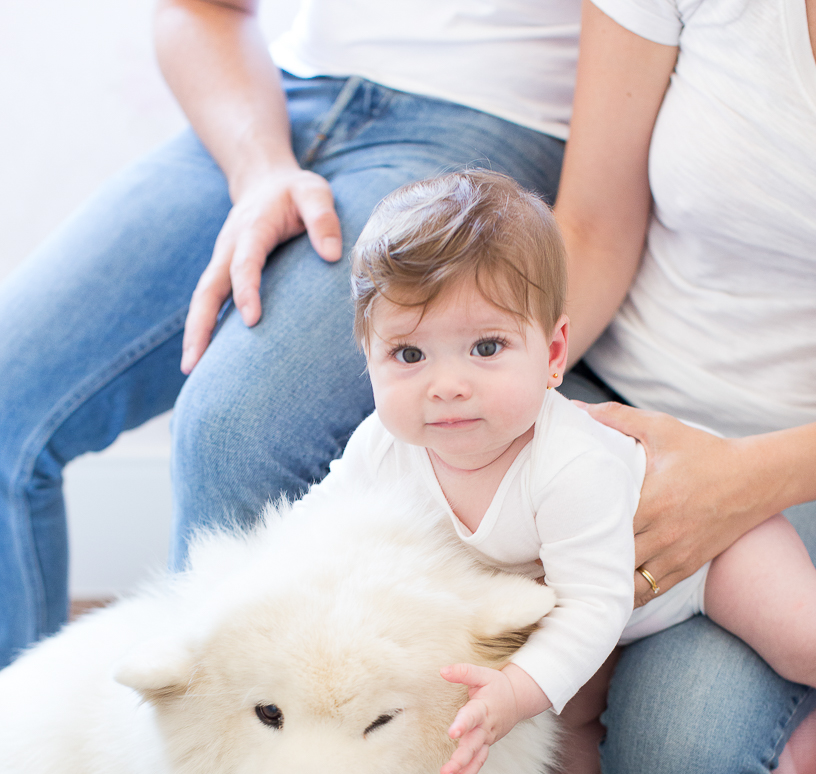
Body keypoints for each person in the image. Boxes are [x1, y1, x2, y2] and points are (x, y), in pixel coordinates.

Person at [392, 0, 816, 774]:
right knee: (445, 655)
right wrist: (506, 382)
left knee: (682, 744)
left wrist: (748, 480)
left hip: (798, 467)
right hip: (624, 410)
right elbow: (591, 218)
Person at [0, 0, 577, 670]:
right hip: (286, 89)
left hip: (498, 125)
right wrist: (262, 169)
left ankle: (194, 763)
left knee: (234, 433)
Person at [318, 167, 816, 774]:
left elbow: (590, 608)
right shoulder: (382, 449)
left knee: (801, 638)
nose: (446, 384)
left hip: (712, 553)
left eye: (485, 349)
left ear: (553, 357)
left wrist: (518, 689)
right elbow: (321, 526)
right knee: (573, 709)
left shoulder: (566, 463)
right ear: (368, 358)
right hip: (606, 612)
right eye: (409, 355)